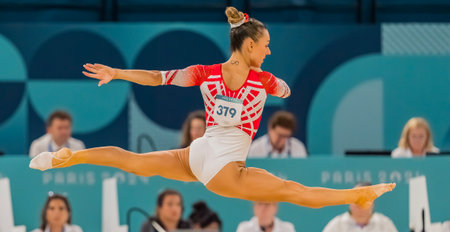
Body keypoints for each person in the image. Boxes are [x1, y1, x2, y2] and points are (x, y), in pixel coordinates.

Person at [30, 6, 395, 209]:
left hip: (200, 152)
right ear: (250, 45)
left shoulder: (203, 73)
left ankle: (68, 157)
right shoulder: (264, 80)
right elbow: (285, 88)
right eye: (266, 45)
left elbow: (157, 78)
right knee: (291, 191)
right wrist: (267, 76)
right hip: (225, 167)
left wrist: (118, 72)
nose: (268, 51)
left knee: (133, 161)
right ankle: (358, 194)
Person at [322, 183, 398, 232]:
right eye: (356, 198)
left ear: (373, 203)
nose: (359, 203)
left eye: (364, 199)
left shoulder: (385, 224)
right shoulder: (336, 225)